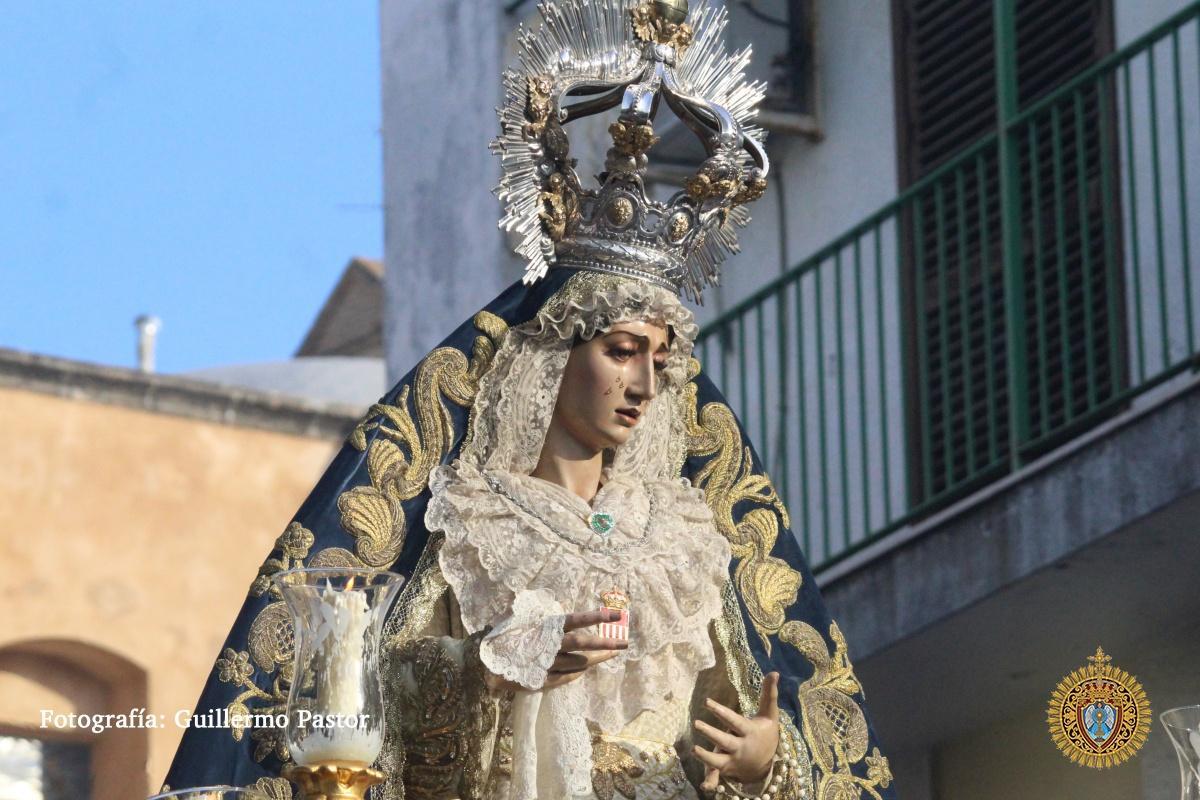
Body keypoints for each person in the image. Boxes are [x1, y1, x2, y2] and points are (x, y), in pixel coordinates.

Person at [163, 2, 896, 798]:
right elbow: (372, 696)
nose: (645, 385)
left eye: (661, 361)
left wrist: (766, 758)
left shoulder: (685, 537)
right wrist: (503, 669)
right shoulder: (476, 518)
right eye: (620, 352)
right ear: (552, 360)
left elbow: (738, 717)